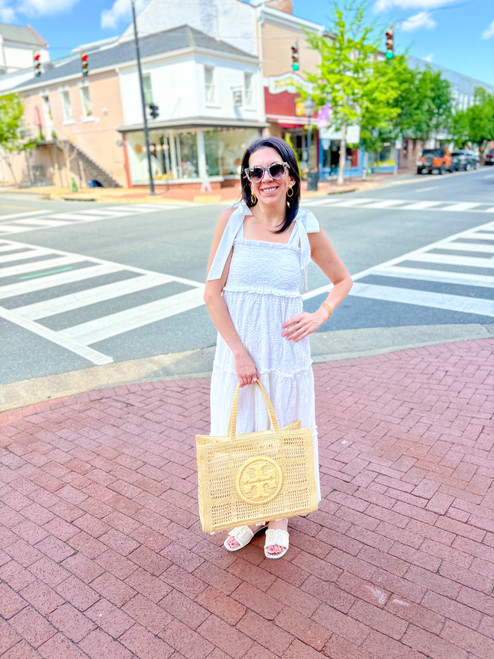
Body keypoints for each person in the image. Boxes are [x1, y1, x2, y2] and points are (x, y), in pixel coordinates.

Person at [204, 136, 352, 559]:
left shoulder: (306, 225)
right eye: (256, 171)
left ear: (290, 176)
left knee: (282, 428)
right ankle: (251, 513)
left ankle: (279, 517)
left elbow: (343, 280)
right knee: (245, 428)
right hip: (240, 349)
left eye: (275, 169)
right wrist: (238, 351)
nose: (266, 178)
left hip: (286, 351)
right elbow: (212, 293)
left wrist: (320, 314)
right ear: (247, 181)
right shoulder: (232, 220)